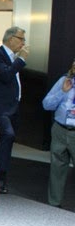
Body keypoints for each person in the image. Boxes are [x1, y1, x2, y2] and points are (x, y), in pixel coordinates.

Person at [0, 26, 29, 194]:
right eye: (21, 39)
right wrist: (21, 59)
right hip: (0, 108)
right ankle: (0, 176)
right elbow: (5, 75)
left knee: (7, 140)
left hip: (12, 108)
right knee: (8, 135)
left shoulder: (12, 57)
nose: (23, 43)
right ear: (11, 39)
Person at [41, 59, 75, 207]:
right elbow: (46, 104)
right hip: (60, 129)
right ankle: (54, 204)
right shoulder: (64, 81)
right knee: (57, 168)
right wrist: (62, 92)